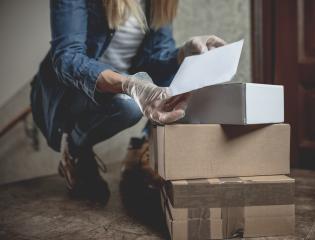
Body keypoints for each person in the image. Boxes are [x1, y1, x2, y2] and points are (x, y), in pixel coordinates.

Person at [30, 0, 226, 202]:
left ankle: (120, 148)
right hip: (69, 90)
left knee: (180, 88)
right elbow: (67, 58)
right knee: (129, 105)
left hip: (119, 87)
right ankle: (76, 148)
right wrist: (129, 84)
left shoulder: (158, 3)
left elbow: (155, 60)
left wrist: (183, 53)